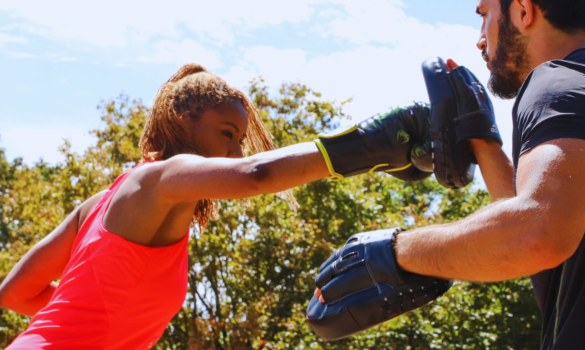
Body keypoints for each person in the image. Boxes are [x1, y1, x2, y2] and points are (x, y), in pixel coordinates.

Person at [0, 63, 449, 349]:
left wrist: (87, 321)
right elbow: (256, 175)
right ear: (181, 123)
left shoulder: (101, 204)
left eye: (240, 141)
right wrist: (372, 145)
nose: (237, 152)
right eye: (228, 134)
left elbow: (15, 293)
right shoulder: (159, 177)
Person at [314, 0, 585, 348]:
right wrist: (483, 142)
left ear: (523, 10)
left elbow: (539, 232)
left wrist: (392, 253)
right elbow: (554, 226)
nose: (479, 38)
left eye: (484, 13)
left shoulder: (558, 83)